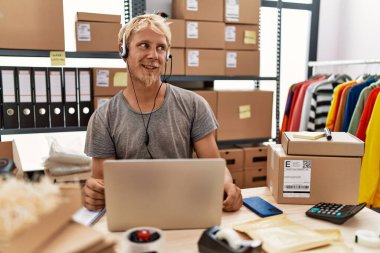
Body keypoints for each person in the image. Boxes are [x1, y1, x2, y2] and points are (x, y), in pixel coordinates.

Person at [83, 13, 242, 212]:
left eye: (161, 48)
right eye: (144, 45)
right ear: (123, 51)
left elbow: (216, 168)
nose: (153, 55)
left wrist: (227, 184)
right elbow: (100, 183)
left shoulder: (194, 105)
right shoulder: (103, 118)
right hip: (131, 216)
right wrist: (93, 194)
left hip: (183, 210)